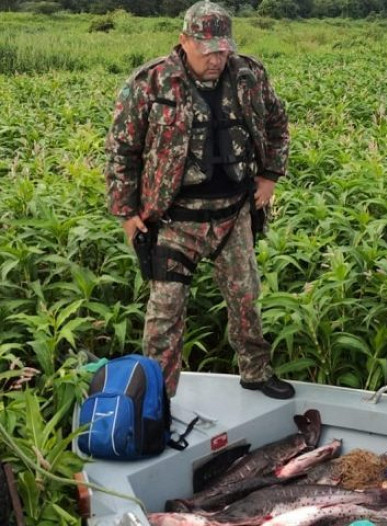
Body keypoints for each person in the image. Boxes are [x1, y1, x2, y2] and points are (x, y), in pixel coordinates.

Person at [104, 0, 293, 399]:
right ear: (184, 42)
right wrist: (125, 213)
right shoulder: (150, 83)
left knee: (247, 301)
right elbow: (122, 151)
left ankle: (256, 372)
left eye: (223, 49)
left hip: (233, 214)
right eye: (207, 49)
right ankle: (157, 398)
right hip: (174, 220)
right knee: (164, 315)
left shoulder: (249, 75)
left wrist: (270, 176)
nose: (216, 58)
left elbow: (278, 123)